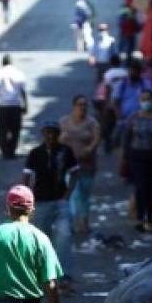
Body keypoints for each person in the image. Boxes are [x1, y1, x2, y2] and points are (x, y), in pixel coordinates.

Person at [23, 121, 78, 289]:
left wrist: (68, 194)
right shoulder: (35, 153)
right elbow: (26, 176)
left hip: (60, 200)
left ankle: (64, 275)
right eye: (47, 132)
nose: (51, 136)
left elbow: (75, 172)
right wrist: (27, 196)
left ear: (58, 134)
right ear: (43, 134)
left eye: (54, 132)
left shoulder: (65, 151)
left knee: (64, 235)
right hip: (40, 201)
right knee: (41, 239)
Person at [121, 90, 152, 232]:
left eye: (148, 99)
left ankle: (149, 216)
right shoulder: (133, 118)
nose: (146, 102)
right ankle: (141, 217)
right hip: (136, 156)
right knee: (140, 186)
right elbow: (126, 139)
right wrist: (124, 158)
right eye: (143, 99)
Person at [59, 95, 100, 235]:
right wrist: (61, 139)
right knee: (73, 194)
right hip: (69, 166)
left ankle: (84, 222)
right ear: (74, 106)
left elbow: (96, 140)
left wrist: (89, 149)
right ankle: (71, 223)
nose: (82, 107)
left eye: (84, 105)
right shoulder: (64, 122)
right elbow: (55, 141)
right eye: (79, 104)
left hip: (87, 165)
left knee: (85, 195)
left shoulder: (92, 123)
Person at [0, 54, 28, 159]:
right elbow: (23, 91)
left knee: (2, 129)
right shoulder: (19, 73)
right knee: (15, 130)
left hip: (3, 106)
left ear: (2, 63)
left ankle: (4, 151)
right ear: (11, 63)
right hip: (15, 106)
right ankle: (12, 150)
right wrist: (25, 105)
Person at [99, 55, 127, 153]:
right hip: (123, 102)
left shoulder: (108, 74)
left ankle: (108, 145)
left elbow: (107, 90)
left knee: (108, 125)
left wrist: (106, 104)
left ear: (111, 63)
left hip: (112, 102)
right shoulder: (125, 72)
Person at [113, 59, 152, 123]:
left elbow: (149, 101)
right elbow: (115, 103)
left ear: (140, 71)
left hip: (141, 120)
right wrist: (120, 119)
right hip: (125, 119)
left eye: (137, 70)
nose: (134, 72)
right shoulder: (122, 84)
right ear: (128, 70)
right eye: (132, 69)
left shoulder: (145, 84)